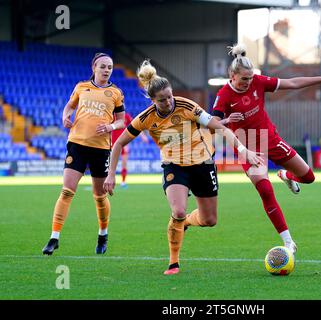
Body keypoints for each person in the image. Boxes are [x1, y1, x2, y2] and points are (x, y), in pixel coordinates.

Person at [103, 60, 264, 275]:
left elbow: (215, 124)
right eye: (162, 100)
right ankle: (173, 262)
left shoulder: (186, 106)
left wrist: (242, 149)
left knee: (209, 220)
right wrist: (111, 175)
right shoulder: (145, 118)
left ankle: (186, 222)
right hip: (174, 167)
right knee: (178, 210)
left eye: (170, 96)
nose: (168, 102)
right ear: (152, 100)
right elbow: (119, 144)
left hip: (203, 164)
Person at [211, 43, 321, 253]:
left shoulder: (258, 81)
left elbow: (292, 83)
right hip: (247, 146)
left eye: (250, 78)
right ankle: (288, 241)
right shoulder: (224, 95)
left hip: (271, 139)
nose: (248, 82)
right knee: (265, 190)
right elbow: (213, 125)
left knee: (309, 177)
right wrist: (228, 120)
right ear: (232, 75)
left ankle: (286, 175)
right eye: (243, 79)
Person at [42, 52, 126, 255]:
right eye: (103, 66)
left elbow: (122, 121)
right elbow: (69, 106)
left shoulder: (116, 93)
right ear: (94, 68)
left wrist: (110, 126)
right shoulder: (81, 87)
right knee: (67, 191)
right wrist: (65, 117)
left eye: (110, 67)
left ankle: (103, 234)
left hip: (100, 149)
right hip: (77, 145)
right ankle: (54, 238)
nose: (107, 70)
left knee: (99, 195)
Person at [111, 112, 150, 188]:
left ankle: (123, 181)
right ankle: (106, 180)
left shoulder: (126, 116)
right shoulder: (111, 116)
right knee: (109, 164)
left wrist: (143, 136)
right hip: (112, 144)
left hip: (123, 143)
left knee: (124, 164)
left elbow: (136, 126)